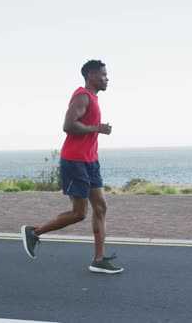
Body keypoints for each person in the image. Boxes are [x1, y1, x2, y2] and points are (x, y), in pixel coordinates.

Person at [22, 60, 123, 274]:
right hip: (75, 161)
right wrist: (98, 128)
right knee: (79, 213)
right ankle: (34, 232)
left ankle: (99, 259)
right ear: (91, 75)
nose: (107, 78)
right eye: (103, 75)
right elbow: (68, 125)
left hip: (90, 161)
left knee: (101, 207)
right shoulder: (83, 96)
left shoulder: (93, 98)